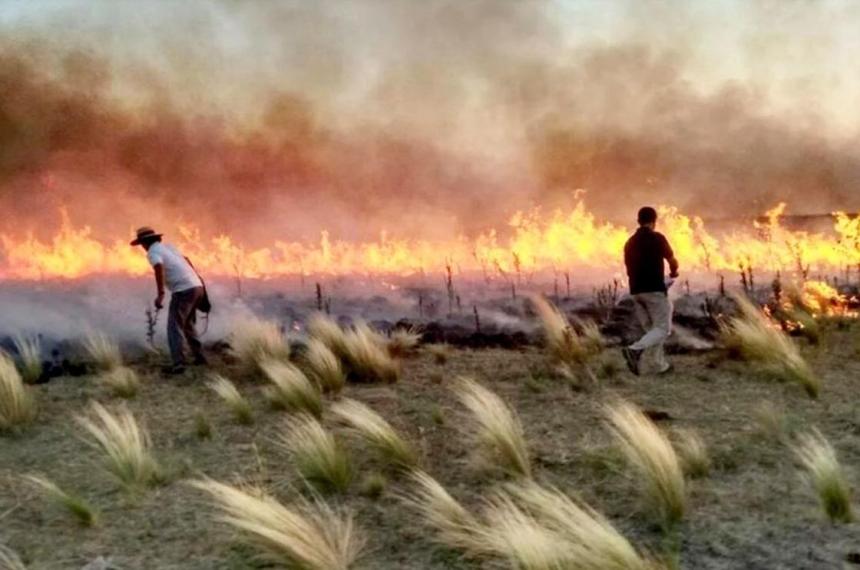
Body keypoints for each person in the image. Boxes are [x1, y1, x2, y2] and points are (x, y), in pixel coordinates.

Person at [130, 226, 207, 373]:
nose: (143, 248)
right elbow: (187, 260)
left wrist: (161, 294)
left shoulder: (153, 252)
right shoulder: (169, 248)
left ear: (145, 243)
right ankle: (200, 357)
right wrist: (194, 279)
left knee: (174, 326)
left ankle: (179, 364)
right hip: (197, 286)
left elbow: (158, 267)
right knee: (188, 324)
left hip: (183, 291)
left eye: (142, 244)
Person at [621, 207, 679, 376]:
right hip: (654, 290)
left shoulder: (629, 242)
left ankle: (660, 366)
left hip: (636, 291)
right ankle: (634, 350)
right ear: (654, 221)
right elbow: (672, 260)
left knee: (653, 331)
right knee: (663, 328)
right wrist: (673, 273)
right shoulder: (657, 238)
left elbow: (628, 268)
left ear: (638, 221)